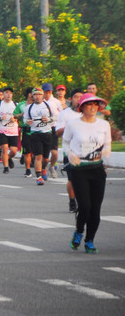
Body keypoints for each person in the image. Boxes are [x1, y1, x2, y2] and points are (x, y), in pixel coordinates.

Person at [62, 92, 112, 254]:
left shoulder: (103, 125)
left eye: (96, 104)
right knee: (85, 206)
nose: (93, 107)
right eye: (89, 104)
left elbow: (108, 144)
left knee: (96, 209)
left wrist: (105, 155)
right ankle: (78, 232)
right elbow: (66, 143)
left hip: (97, 169)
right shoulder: (73, 124)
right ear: (82, 107)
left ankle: (89, 240)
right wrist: (70, 154)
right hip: (79, 169)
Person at [24, 87, 59, 185]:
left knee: (46, 159)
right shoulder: (29, 107)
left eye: (39, 94)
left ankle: (44, 168)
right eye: (35, 95)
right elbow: (25, 120)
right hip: (35, 133)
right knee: (38, 156)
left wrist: (48, 119)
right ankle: (39, 177)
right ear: (32, 96)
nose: (37, 96)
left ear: (42, 95)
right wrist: (28, 122)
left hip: (47, 133)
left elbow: (56, 116)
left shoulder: (49, 105)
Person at [57, 88, 84, 213]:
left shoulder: (87, 113)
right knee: (72, 179)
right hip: (70, 151)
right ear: (70, 99)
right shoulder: (65, 113)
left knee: (84, 179)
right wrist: (70, 127)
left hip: (86, 152)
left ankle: (83, 201)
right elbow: (57, 132)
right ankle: (72, 200)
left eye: (81, 97)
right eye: (76, 97)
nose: (78, 99)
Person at [0, 87, 20, 174]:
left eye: (10, 93)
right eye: (6, 92)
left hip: (13, 130)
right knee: (4, 148)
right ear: (3, 94)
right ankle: (5, 167)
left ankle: (9, 158)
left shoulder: (16, 104)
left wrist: (16, 119)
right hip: (3, 130)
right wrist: (0, 117)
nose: (8, 94)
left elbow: (20, 115)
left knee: (13, 151)